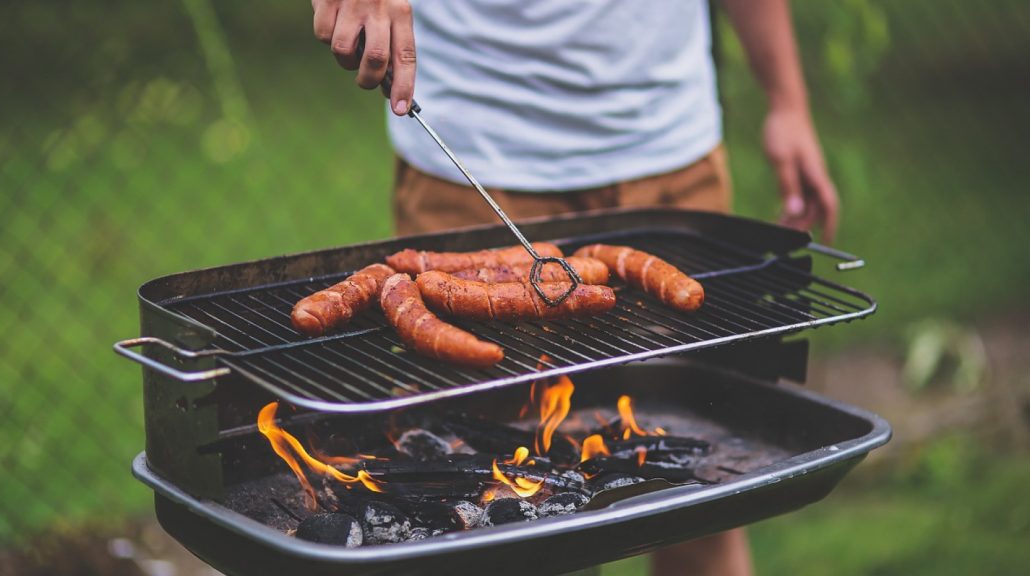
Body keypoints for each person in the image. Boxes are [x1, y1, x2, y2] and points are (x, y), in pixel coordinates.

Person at [311, 1, 838, 574]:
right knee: (488, 512)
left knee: (697, 500)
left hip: (669, 155)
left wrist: (787, 101)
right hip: (469, 158)